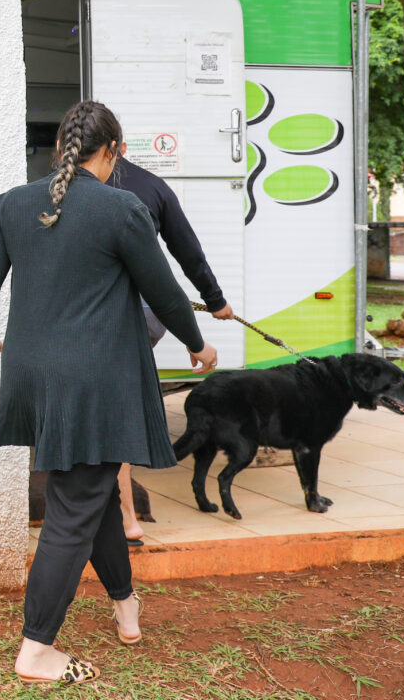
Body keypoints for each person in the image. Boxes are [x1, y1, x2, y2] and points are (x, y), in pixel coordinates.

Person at [0, 100, 218, 685]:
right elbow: (166, 290)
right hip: (95, 381)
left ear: (61, 150)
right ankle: (36, 650)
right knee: (73, 508)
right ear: (112, 152)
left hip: (34, 375)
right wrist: (197, 344)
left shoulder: (12, 204)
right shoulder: (121, 208)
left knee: (93, 488)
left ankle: (125, 608)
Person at [110, 149, 235, 544]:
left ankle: (125, 513)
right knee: (116, 408)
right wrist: (213, 302)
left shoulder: (63, 190)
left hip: (102, 319)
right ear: (121, 147)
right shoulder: (151, 186)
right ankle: (124, 513)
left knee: (104, 411)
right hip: (147, 315)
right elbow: (186, 250)